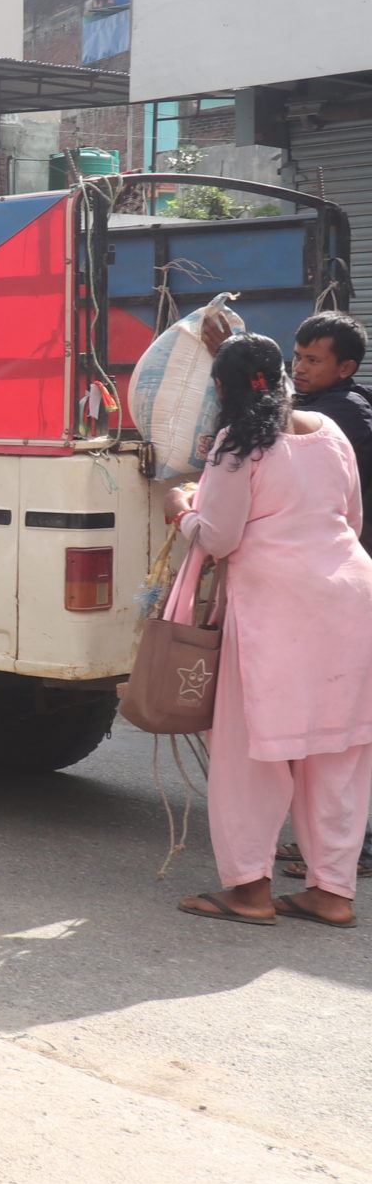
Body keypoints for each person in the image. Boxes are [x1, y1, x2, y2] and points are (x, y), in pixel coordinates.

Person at [165, 334, 372, 927]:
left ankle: (250, 891)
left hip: (277, 612)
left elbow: (220, 536)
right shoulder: (329, 433)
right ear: (281, 374)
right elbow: (349, 520)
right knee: (339, 749)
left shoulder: (239, 444)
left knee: (250, 752)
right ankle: (332, 893)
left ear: (224, 390)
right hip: (352, 598)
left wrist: (181, 510)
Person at [289, 311, 372, 539]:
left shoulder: (345, 408)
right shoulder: (314, 400)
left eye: (312, 360)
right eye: (298, 357)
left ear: (345, 368)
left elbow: (275, 421)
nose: (299, 368)